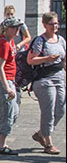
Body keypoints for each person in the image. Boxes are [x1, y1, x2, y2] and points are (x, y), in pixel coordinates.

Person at [0, 17, 23, 155]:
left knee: (14, 111)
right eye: (14, 27)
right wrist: (7, 87)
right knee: (8, 111)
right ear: (7, 29)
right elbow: (0, 67)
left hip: (9, 80)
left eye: (18, 27)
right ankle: (2, 144)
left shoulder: (10, 41)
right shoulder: (4, 43)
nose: (17, 30)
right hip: (3, 81)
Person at [28, 11, 65, 155]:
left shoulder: (61, 40)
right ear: (44, 25)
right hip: (45, 80)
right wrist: (47, 58)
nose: (55, 26)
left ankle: (40, 134)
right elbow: (30, 60)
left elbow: (64, 59)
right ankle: (48, 144)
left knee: (61, 110)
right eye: (51, 24)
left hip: (59, 78)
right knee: (48, 112)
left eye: (56, 23)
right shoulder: (40, 41)